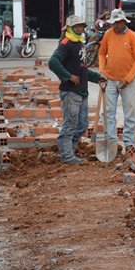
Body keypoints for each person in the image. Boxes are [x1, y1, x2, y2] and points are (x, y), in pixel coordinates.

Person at [48, 15, 106, 165]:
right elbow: (53, 62)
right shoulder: (66, 43)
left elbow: (83, 70)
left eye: (81, 26)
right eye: (76, 26)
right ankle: (67, 156)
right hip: (70, 91)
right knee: (70, 124)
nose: (79, 29)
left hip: (82, 90)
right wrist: (68, 77)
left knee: (82, 124)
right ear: (69, 28)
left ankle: (70, 152)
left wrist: (97, 77)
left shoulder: (80, 43)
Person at [98, 8, 135, 153]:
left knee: (129, 111)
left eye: (118, 23)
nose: (115, 26)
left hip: (127, 82)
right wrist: (101, 71)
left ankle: (129, 143)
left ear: (124, 22)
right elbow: (102, 53)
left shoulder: (132, 36)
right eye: (113, 23)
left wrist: (128, 79)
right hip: (110, 80)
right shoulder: (108, 34)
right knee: (108, 112)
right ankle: (112, 143)